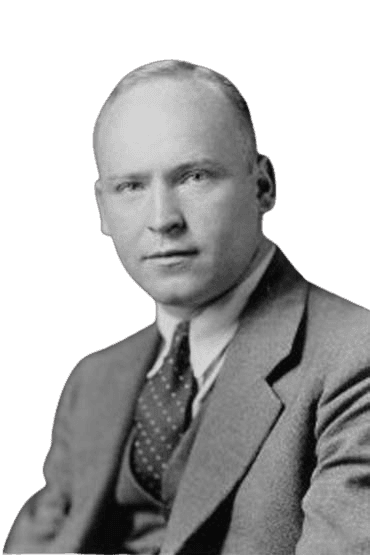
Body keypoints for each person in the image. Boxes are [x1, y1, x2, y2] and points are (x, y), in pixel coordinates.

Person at [4, 60, 370, 555]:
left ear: (263, 186)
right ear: (102, 210)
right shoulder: (94, 381)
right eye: (131, 186)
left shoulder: (354, 360)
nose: (162, 220)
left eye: (194, 176)